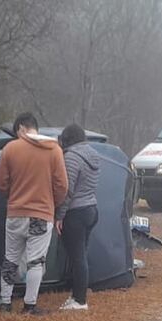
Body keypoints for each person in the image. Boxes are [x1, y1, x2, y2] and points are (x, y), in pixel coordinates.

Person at [0, 112, 68, 314]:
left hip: (15, 213)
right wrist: (53, 203)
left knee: (11, 258)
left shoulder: (10, 149)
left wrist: (13, 195)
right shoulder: (54, 150)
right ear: (35, 127)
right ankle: (29, 305)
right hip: (42, 214)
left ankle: (5, 302)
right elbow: (62, 185)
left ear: (21, 129)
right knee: (36, 261)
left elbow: (0, 183)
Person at [55, 124, 101, 311]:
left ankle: (79, 300)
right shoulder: (93, 155)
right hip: (91, 208)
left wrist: (59, 215)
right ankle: (78, 294)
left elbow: (68, 190)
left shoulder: (72, 158)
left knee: (77, 257)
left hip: (76, 212)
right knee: (81, 254)